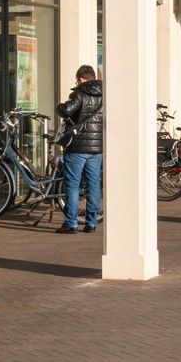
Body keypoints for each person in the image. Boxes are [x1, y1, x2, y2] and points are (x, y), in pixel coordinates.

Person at [55, 64, 104, 234]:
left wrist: (59, 107)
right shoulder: (105, 94)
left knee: (73, 185)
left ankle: (71, 223)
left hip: (77, 147)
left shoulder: (80, 92)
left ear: (82, 79)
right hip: (97, 147)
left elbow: (67, 110)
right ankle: (91, 223)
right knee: (93, 185)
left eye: (77, 80)